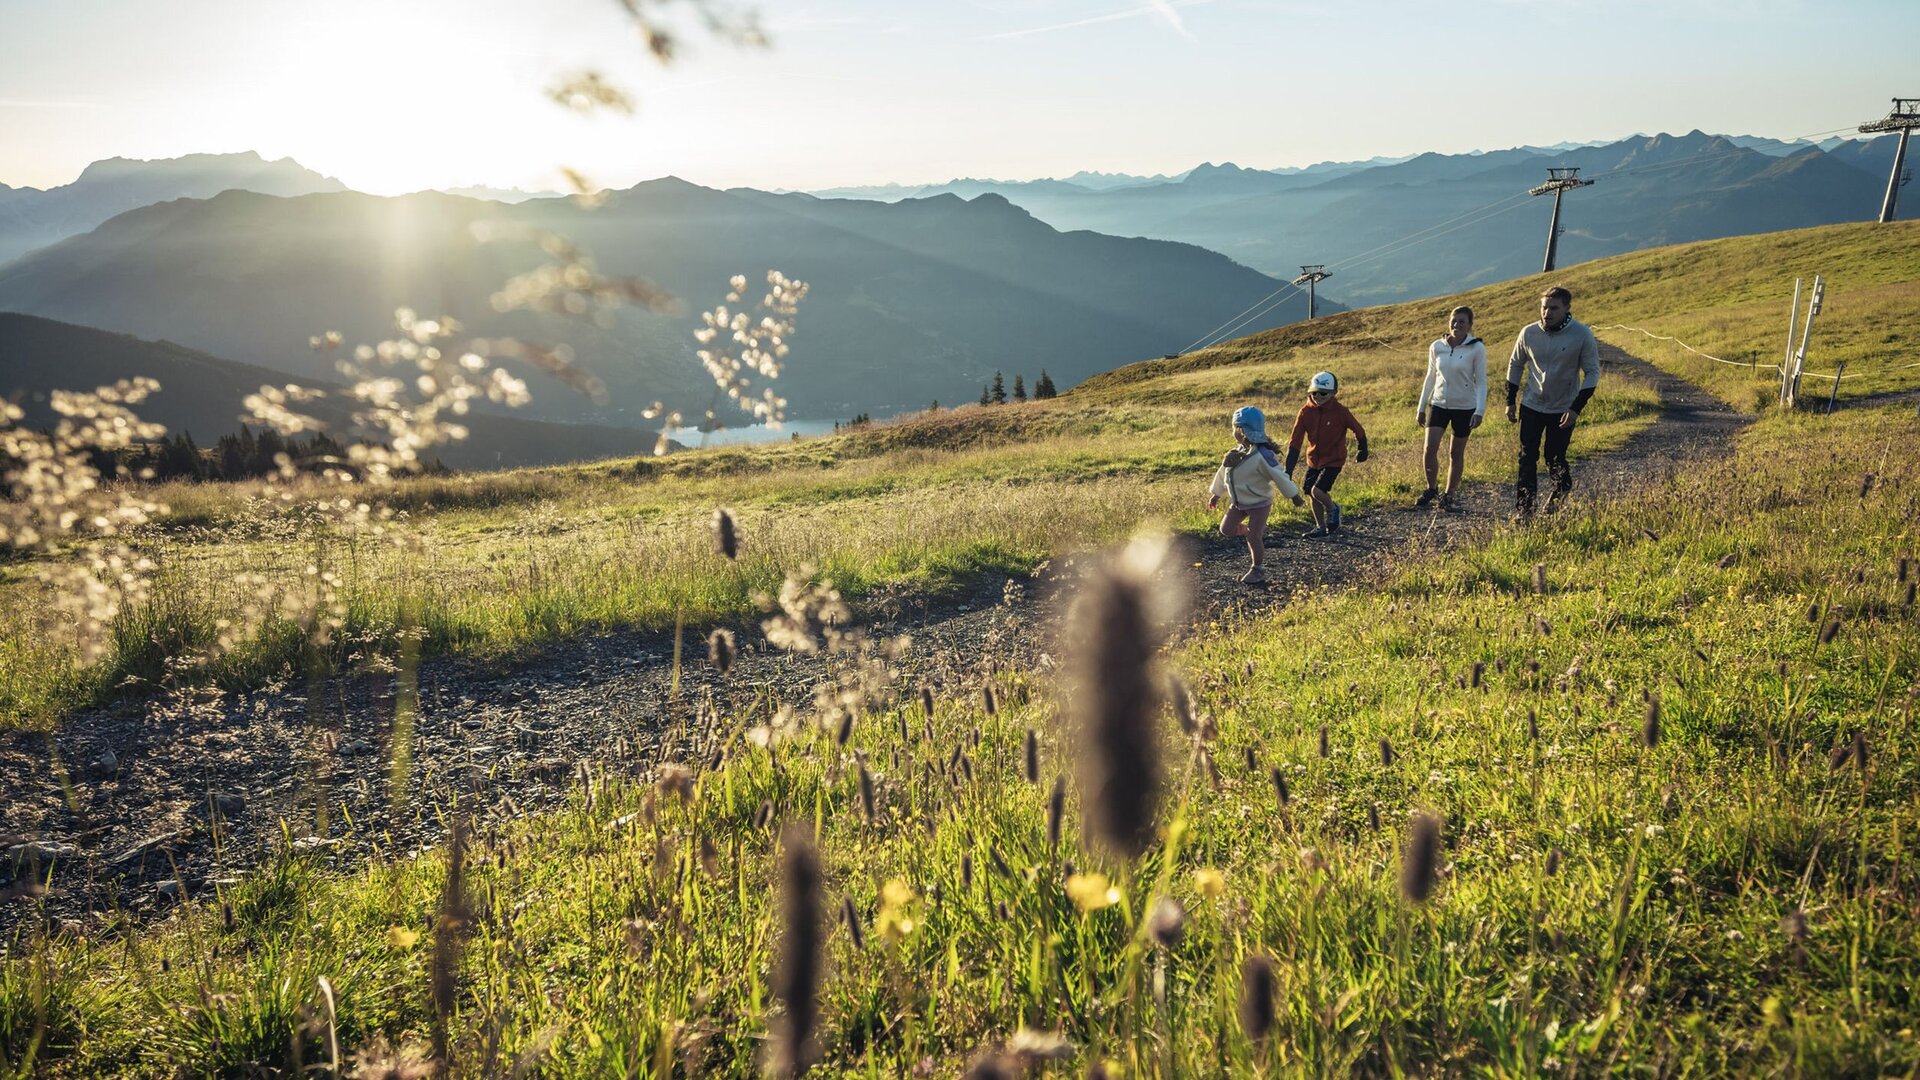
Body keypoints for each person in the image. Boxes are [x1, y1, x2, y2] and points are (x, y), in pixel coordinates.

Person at [1505, 285, 1600, 519]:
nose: (1547, 313)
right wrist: (1510, 400)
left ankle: (1561, 488)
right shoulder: (1528, 333)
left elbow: (1592, 372)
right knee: (1527, 456)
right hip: (1532, 404)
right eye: (1544, 307)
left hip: (1563, 407)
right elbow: (1515, 364)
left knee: (1554, 457)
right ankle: (1525, 511)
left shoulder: (1582, 334)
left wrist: (1576, 408)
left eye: (1554, 308)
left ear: (1567, 308)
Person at [1208, 406, 1304, 584]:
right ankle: (1249, 532)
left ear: (1241, 430)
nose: (1233, 432)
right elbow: (1223, 473)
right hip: (1239, 503)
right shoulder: (1236, 453)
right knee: (1226, 529)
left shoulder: (1263, 455)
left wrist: (1294, 495)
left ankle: (1257, 569)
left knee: (1254, 537)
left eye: (1234, 428)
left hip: (1260, 504)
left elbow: (1279, 476)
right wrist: (1216, 494)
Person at [1415, 306, 1487, 512]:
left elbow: (1481, 381)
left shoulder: (1476, 348)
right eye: (1453, 321)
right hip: (1438, 404)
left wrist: (1479, 411)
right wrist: (1421, 407)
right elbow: (1430, 377)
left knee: (1455, 453)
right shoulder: (1437, 346)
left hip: (1464, 407)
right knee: (1429, 449)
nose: (1456, 325)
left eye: (1462, 321)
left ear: (1470, 325)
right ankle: (1431, 489)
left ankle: (1449, 495)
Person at [1286, 371, 1369, 539]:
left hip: (1334, 459)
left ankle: (1333, 509)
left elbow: (1358, 429)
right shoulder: (1305, 412)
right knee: (1310, 492)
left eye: (1323, 393)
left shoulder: (1341, 412)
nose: (1318, 396)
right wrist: (1288, 470)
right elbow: (1295, 442)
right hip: (1313, 460)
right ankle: (1320, 528)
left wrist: (1362, 448)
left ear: (1333, 393)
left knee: (1317, 490)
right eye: (1314, 392)